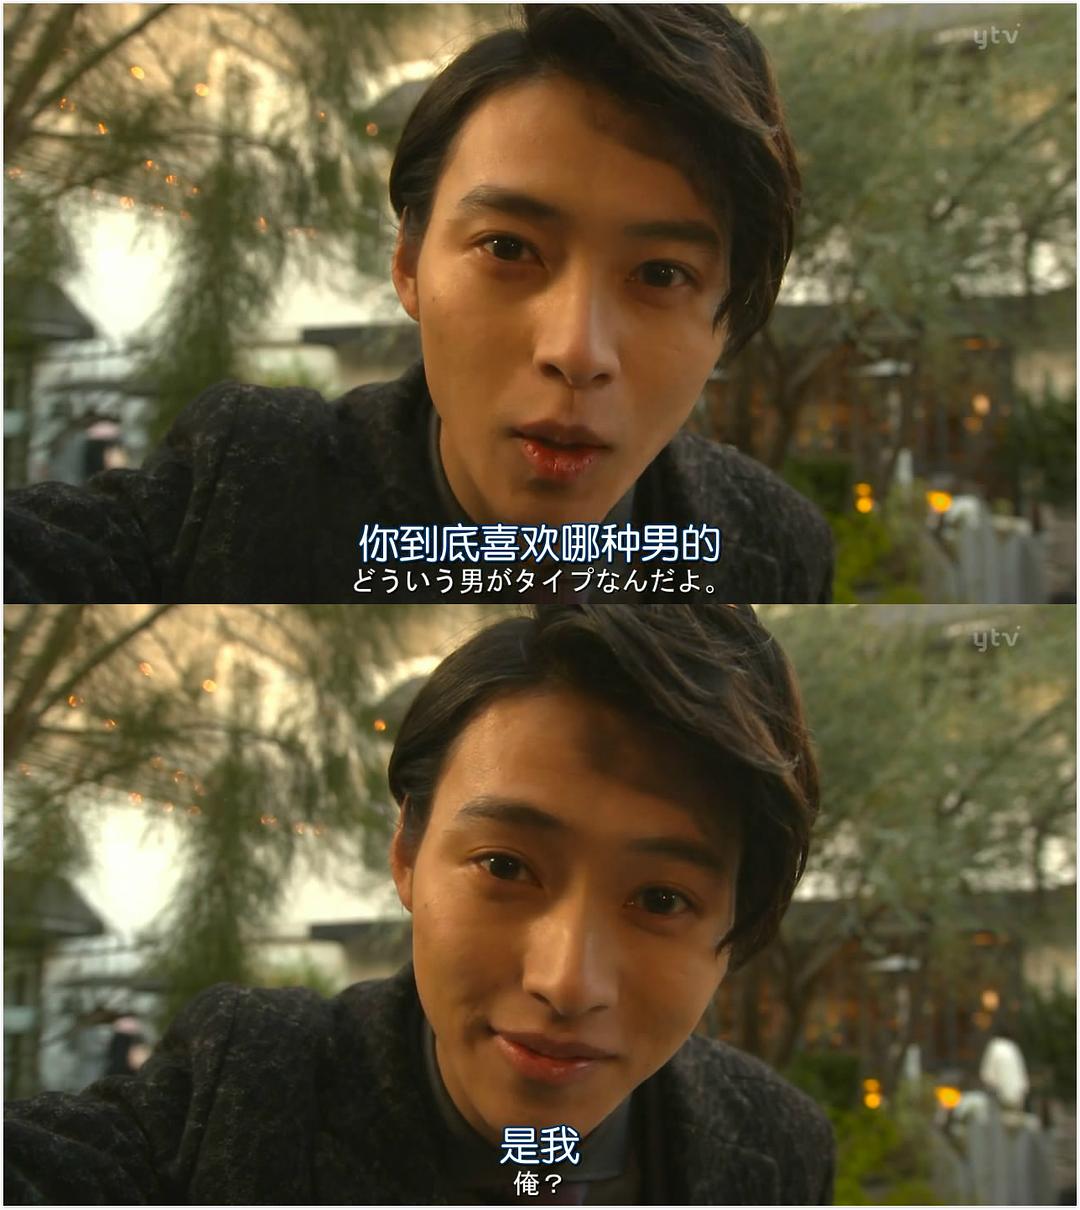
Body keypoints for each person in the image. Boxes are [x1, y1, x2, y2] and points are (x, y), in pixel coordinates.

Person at [5, 5, 833, 605]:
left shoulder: (770, 549)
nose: (576, 351)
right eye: (508, 248)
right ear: (408, 261)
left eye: (660, 273)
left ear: (729, 315)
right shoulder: (252, 483)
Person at [5, 604, 834, 1204]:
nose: (566, 982)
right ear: (407, 851)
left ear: (738, 927)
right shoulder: (242, 1095)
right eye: (505, 866)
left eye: (660, 898)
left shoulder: (775, 1150)